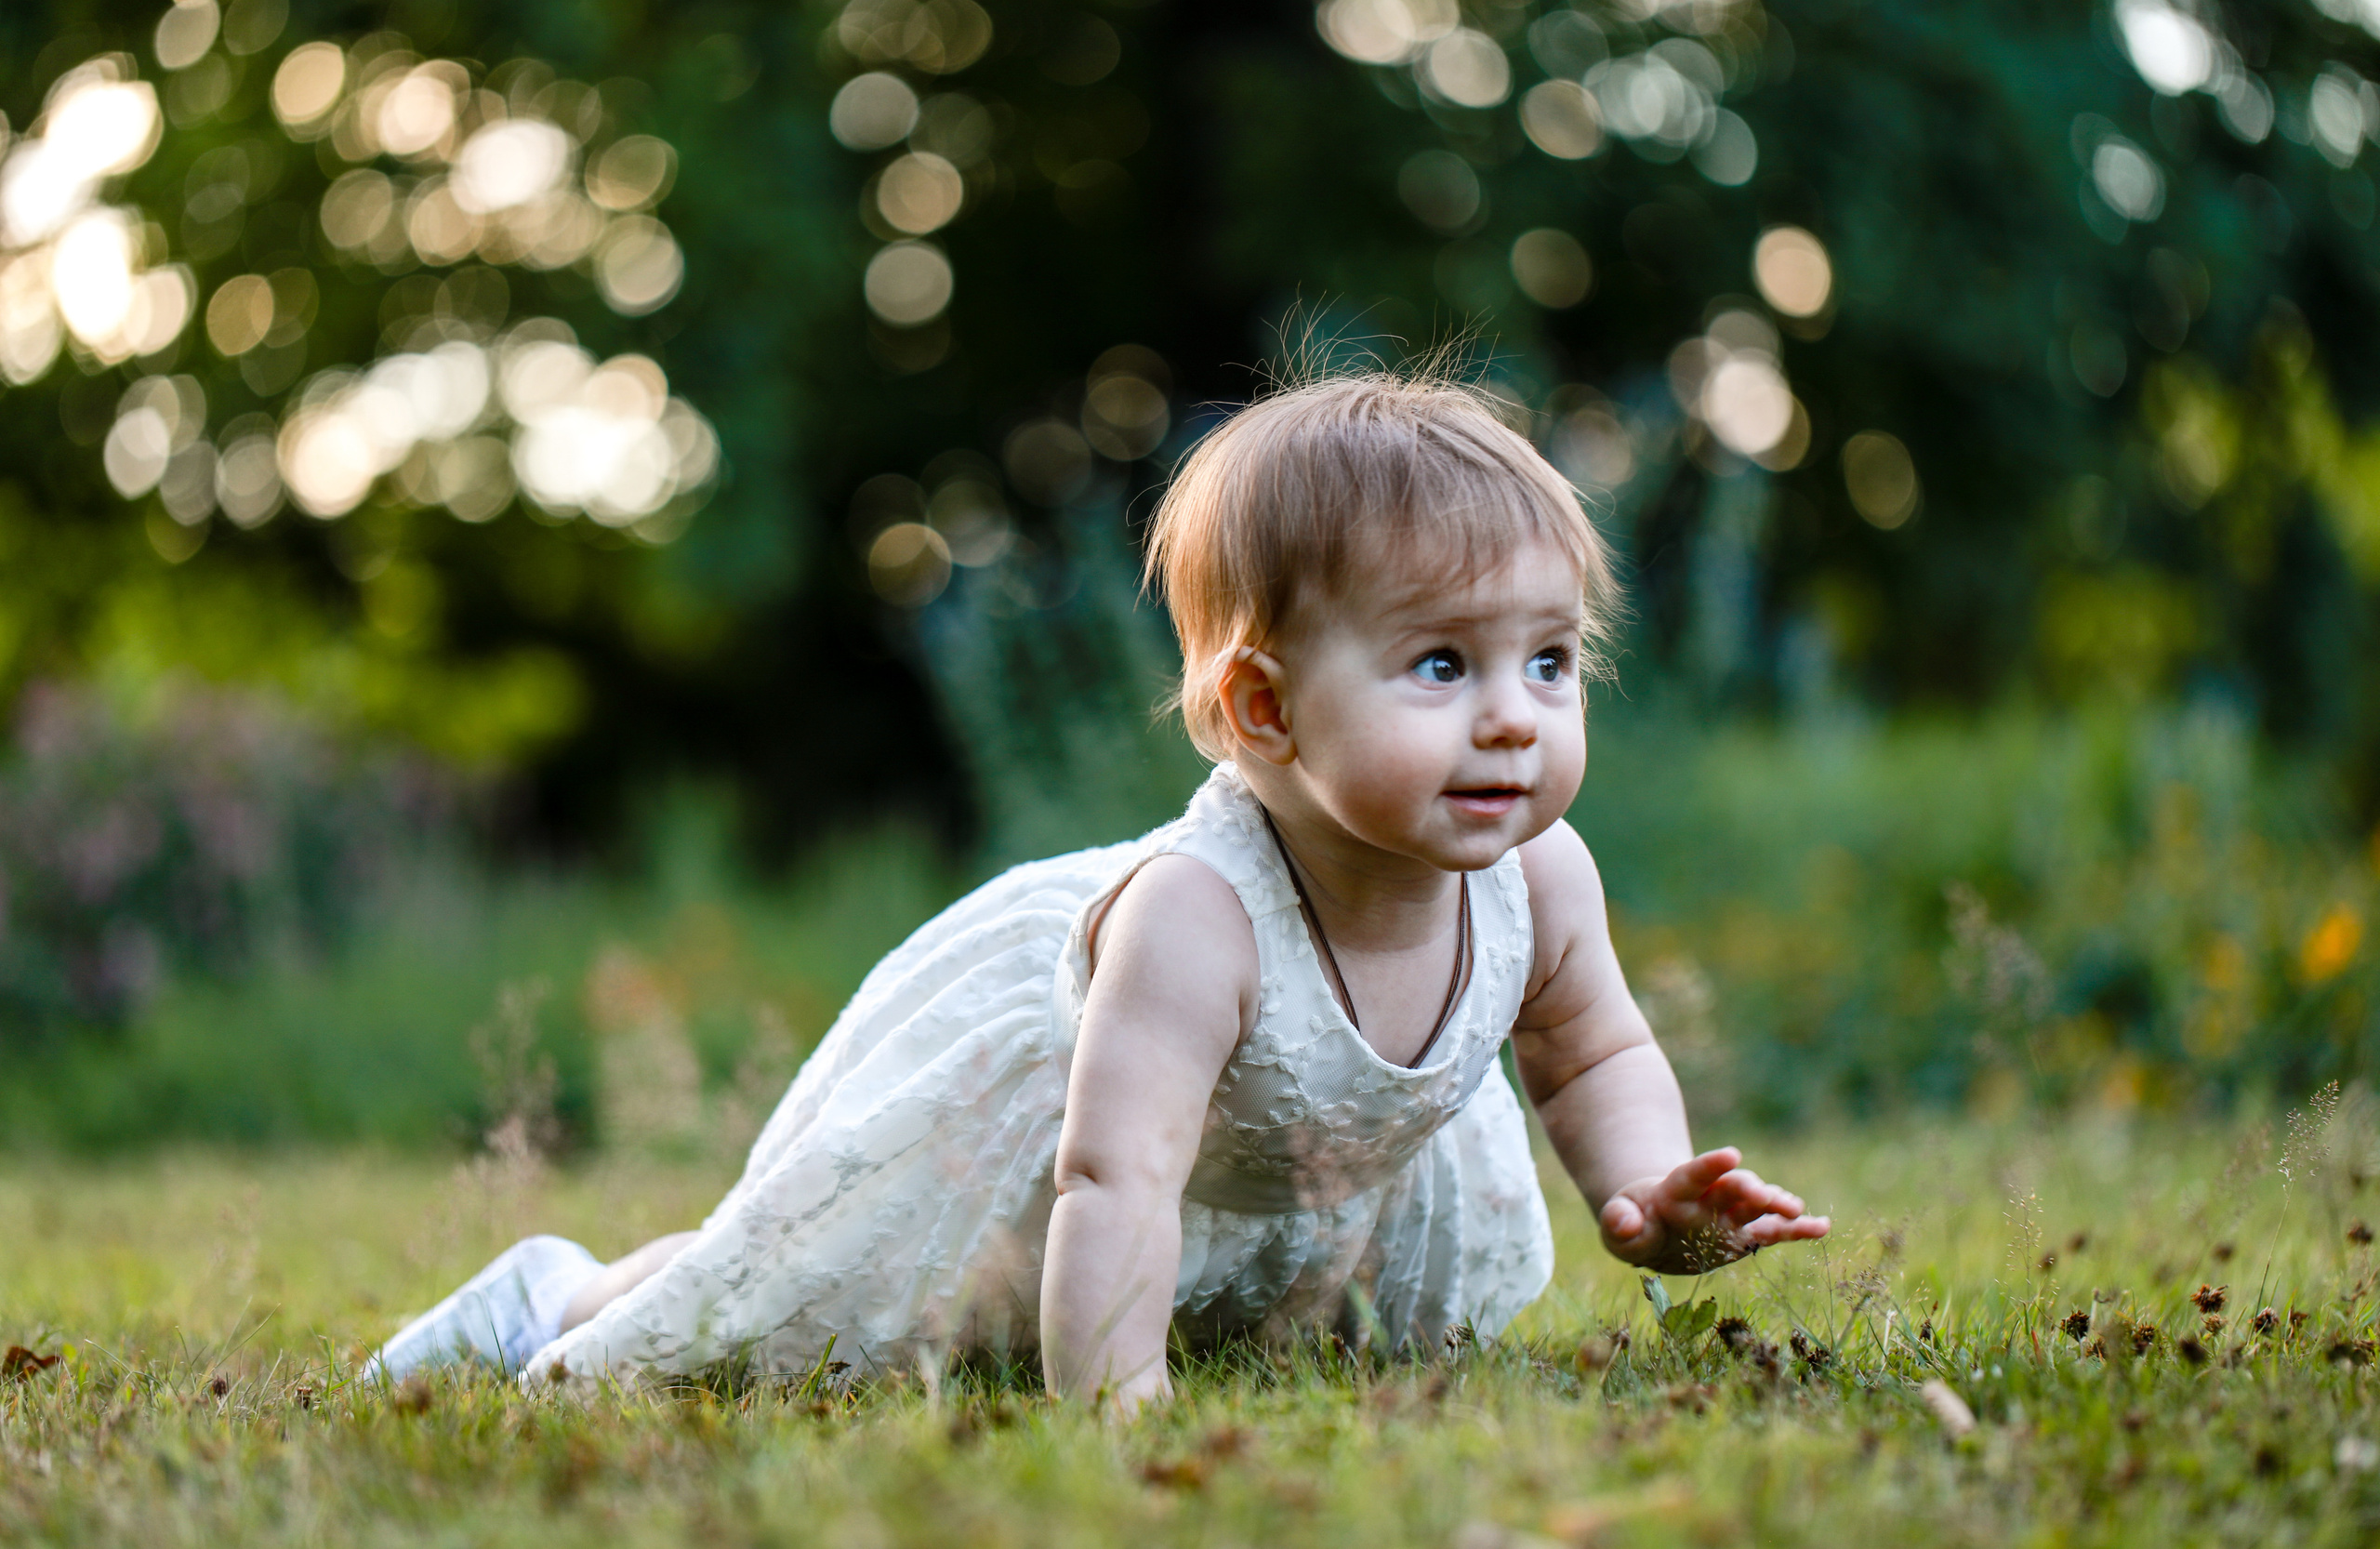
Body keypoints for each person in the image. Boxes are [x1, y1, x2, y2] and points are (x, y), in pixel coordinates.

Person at [369, 370, 1830, 1407]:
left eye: (1551, 662)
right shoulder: (1200, 919)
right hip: (1058, 1156)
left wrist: (1648, 1194)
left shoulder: (1538, 872)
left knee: (1287, 1333)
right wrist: (1114, 1413)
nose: (1515, 715)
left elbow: (1593, 1051)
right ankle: (553, 1295)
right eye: (1442, 665)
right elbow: (1113, 1177)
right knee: (803, 1308)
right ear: (1263, 713)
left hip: (1282, 1176)